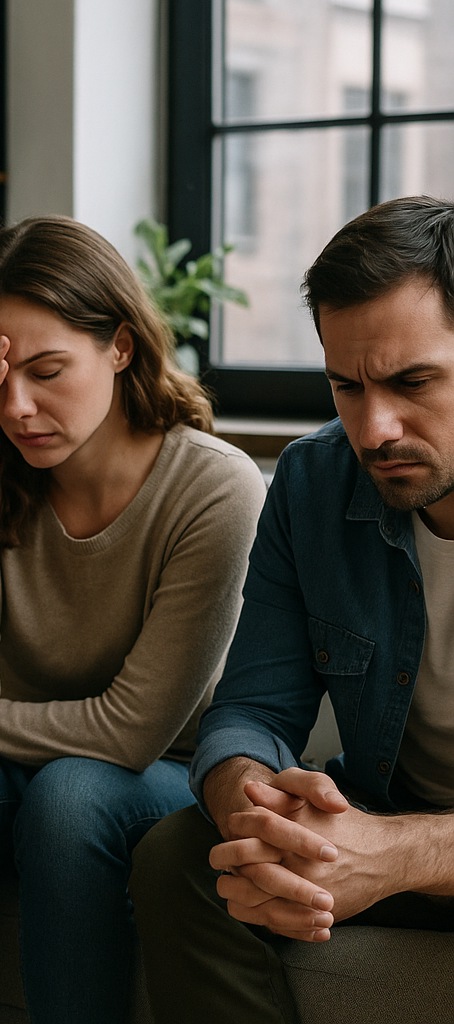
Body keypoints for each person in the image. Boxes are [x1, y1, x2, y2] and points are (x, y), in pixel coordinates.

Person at [0, 216, 266, 1023]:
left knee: (74, 794)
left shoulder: (216, 489)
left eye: (48, 371)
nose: (17, 407)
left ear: (120, 345)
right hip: (10, 767)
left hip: (157, 775)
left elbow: (131, 734)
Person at [130, 195, 454, 1023]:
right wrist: (253, 801)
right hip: (388, 808)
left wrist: (400, 853)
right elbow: (254, 707)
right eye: (346, 386)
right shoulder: (313, 484)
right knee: (184, 855)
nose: (374, 428)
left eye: (413, 382)